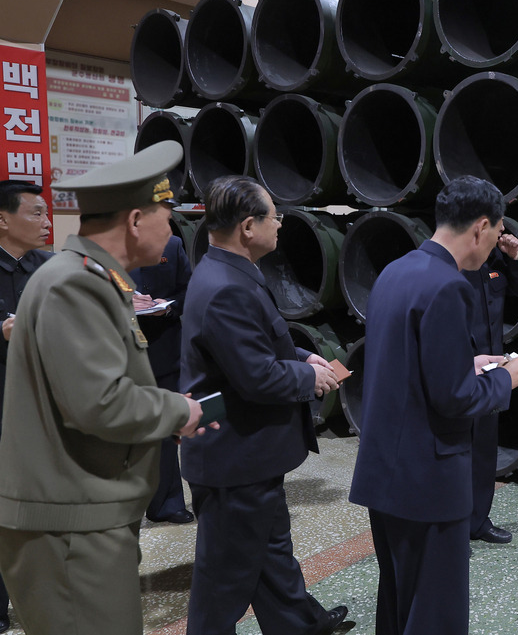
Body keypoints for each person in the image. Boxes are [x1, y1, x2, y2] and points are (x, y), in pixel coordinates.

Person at [0, 141, 208, 635]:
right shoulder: (75, 283)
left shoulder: (92, 277)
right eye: (166, 217)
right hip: (70, 524)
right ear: (135, 220)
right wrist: (178, 411)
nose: (171, 229)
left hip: (83, 513)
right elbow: (99, 403)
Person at [350, 176, 518, 635]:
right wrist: (506, 379)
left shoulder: (397, 271)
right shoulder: (449, 286)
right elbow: (455, 399)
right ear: (481, 227)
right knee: (434, 613)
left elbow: (405, 363)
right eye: (497, 231)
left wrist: (466, 363)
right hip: (427, 478)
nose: (495, 241)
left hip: (385, 473)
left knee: (398, 601)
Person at [178, 175, 347, 635]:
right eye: (275, 216)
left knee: (271, 553)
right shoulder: (227, 287)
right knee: (223, 582)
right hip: (234, 459)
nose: (281, 224)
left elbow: (252, 346)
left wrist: (302, 356)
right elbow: (256, 377)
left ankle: (300, 624)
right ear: (248, 227)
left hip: (249, 455)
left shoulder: (228, 271)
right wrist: (309, 377)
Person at [0, 180, 53, 633]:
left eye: (47, 212)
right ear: (3, 219)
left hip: (40, 411)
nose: (46, 221)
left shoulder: (49, 268)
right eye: (35, 212)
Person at [463, 230, 518, 546]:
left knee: (484, 449)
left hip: (492, 368)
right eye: (498, 226)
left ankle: (478, 520)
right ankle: (453, 521)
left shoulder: (495, 260)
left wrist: (514, 257)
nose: (502, 232)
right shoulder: (454, 265)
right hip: (462, 370)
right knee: (459, 450)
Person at [131, 234, 194, 524]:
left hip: (163, 347)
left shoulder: (172, 244)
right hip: (119, 349)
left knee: (166, 429)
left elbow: (187, 289)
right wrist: (125, 302)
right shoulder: (106, 244)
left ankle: (167, 503)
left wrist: (168, 305)